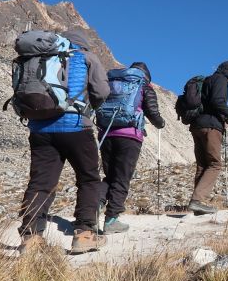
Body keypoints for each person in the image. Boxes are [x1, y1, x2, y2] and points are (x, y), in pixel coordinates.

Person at [17, 27, 110, 254]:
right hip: (75, 126)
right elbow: (101, 91)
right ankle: (85, 234)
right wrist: (90, 107)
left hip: (40, 129)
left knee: (40, 183)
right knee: (88, 179)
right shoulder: (86, 57)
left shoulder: (38, 57)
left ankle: (31, 237)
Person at [98, 62, 166, 233]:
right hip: (129, 136)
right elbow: (152, 112)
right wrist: (160, 123)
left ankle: (92, 210)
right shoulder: (143, 85)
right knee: (122, 178)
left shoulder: (112, 83)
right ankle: (111, 220)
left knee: (109, 176)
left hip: (106, 133)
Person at [188, 60, 228, 215]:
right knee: (215, 164)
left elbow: (211, 103)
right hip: (211, 127)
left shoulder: (208, 80)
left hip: (197, 126)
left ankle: (198, 205)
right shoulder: (221, 80)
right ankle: (197, 200)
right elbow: (217, 101)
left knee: (202, 165)